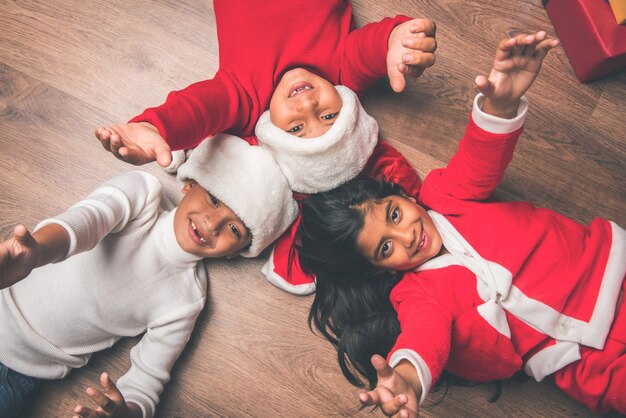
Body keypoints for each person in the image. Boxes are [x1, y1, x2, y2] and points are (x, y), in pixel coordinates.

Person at [296, 32, 625, 416]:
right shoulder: (415, 294)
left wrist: (500, 104)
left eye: (395, 214)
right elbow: (423, 337)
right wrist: (408, 376)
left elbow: (479, 156)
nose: (407, 236)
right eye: (385, 248)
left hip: (609, 271)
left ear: (404, 197)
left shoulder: (446, 195)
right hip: (579, 362)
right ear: (377, 267)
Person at [95, 0, 433, 296]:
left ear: (273, 132)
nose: (307, 106)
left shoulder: (244, 97)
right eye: (329, 116)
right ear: (347, 102)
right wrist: (394, 42)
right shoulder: (341, 69)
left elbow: (200, 109)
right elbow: (368, 51)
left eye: (297, 129)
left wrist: (154, 126)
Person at [0, 136, 298, 418]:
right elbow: (89, 219)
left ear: (239, 252)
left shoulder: (186, 301)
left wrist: (129, 412)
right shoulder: (143, 195)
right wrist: (37, 251)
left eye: (236, 230)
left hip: (19, 376)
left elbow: (147, 381)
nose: (212, 223)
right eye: (215, 199)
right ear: (190, 183)